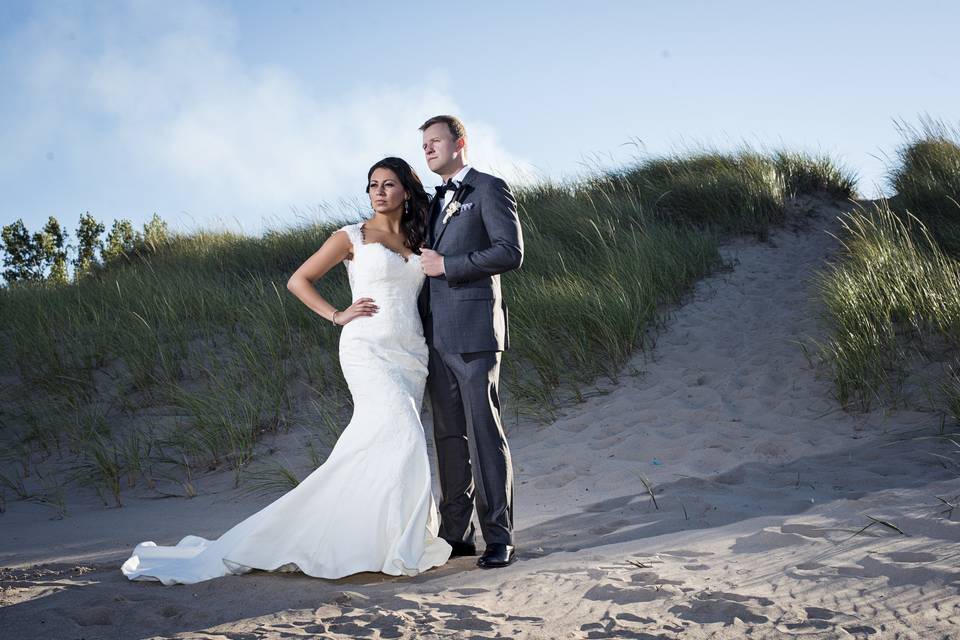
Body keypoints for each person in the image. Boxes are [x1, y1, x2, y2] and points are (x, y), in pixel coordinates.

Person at [121, 157, 452, 585]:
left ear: (407, 190)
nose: (379, 192)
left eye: (389, 184)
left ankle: (375, 537)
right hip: (367, 348)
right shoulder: (351, 236)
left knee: (380, 444)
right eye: (373, 185)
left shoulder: (417, 240)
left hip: (411, 354)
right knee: (403, 433)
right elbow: (299, 280)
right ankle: (374, 538)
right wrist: (336, 314)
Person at [417, 115, 524, 569]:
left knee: (484, 433)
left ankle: (499, 536)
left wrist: (450, 265)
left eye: (435, 141)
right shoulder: (431, 202)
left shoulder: (488, 188)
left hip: (476, 334)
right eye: (423, 144)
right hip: (435, 337)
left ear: (460, 143)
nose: (428, 149)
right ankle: (456, 535)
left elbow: (510, 252)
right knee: (448, 438)